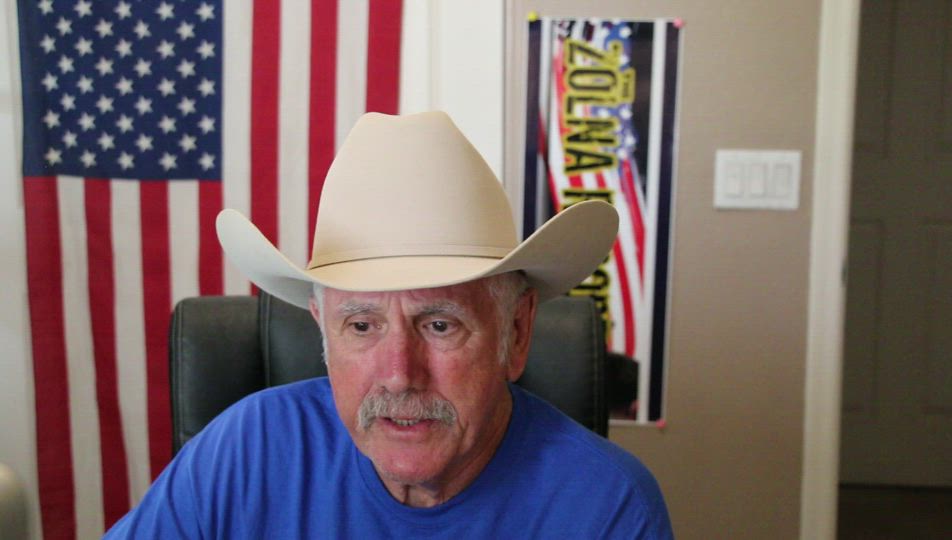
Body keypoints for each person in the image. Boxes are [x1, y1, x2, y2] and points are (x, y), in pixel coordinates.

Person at [105, 112, 673, 538]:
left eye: (440, 325)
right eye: (361, 326)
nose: (399, 374)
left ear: (517, 332)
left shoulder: (607, 507)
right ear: (321, 329)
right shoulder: (243, 451)